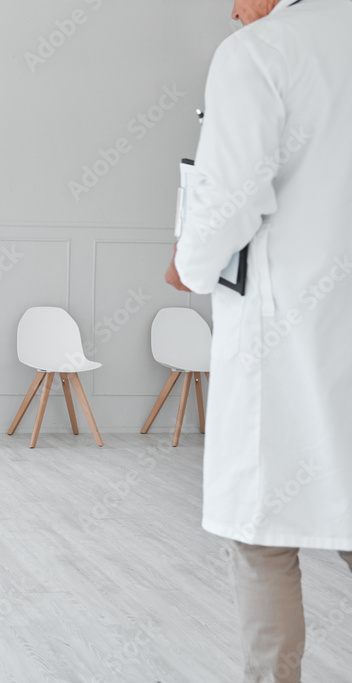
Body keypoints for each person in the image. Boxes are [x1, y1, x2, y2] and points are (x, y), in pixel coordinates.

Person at [165, 0, 352, 680]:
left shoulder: (259, 53)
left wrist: (188, 262)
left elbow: (230, 197)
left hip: (287, 331)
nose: (231, 7)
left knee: (262, 532)